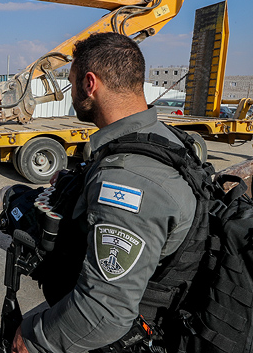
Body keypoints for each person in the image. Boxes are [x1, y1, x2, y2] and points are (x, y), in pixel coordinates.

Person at [12, 33, 197, 353]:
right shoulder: (166, 139)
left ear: (89, 83)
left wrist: (31, 340)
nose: (70, 94)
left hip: (135, 328)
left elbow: (106, 310)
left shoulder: (127, 179)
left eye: (70, 84)